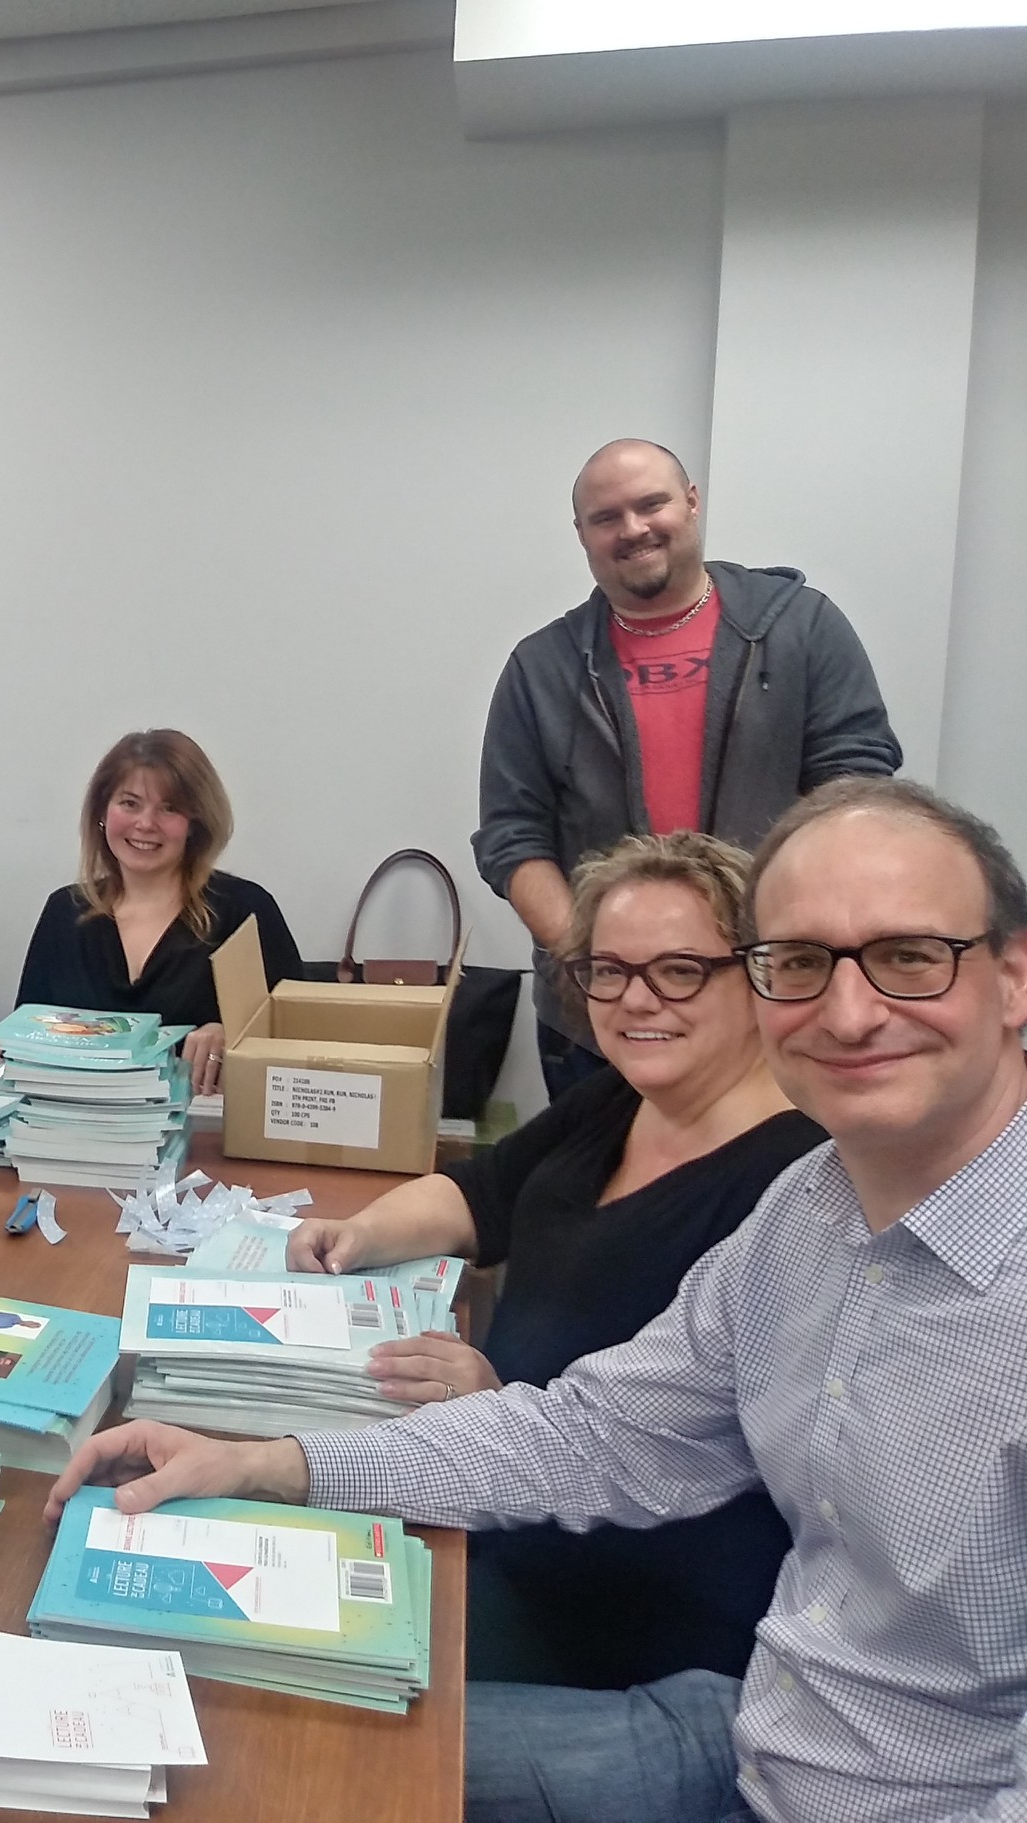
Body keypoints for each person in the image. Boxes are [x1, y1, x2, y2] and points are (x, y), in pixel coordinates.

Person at [50, 775, 1027, 1823]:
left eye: (909, 957)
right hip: (753, 1732)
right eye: (799, 963)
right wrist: (262, 1463)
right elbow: (591, 1433)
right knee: (242, 1755)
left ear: (1014, 978)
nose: (848, 1010)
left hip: (840, 1760)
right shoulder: (811, 1207)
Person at [285, 831, 814, 1690]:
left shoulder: (795, 1182)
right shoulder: (624, 1095)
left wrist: (499, 1400)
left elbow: (702, 1449)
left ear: (757, 972)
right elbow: (484, 1191)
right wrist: (360, 1233)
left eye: (679, 970)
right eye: (609, 969)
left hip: (611, 1599)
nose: (636, 999)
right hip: (487, 1487)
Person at [473, 439, 900, 1098]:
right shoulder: (540, 669)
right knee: (606, 1169)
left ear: (692, 502)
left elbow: (855, 792)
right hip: (601, 1029)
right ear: (582, 533)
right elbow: (512, 837)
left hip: (773, 1003)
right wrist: (602, 968)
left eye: (651, 504)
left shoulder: (802, 627)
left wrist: (782, 950)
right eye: (606, 517)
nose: (633, 528)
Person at [0, 729, 303, 1094]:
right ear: (102, 812)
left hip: (204, 1122)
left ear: (195, 822)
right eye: (130, 803)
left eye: (169, 808)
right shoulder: (64, 912)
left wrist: (235, 1037)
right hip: (75, 1118)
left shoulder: (245, 912)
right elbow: (32, 1038)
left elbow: (299, 1040)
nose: (145, 823)